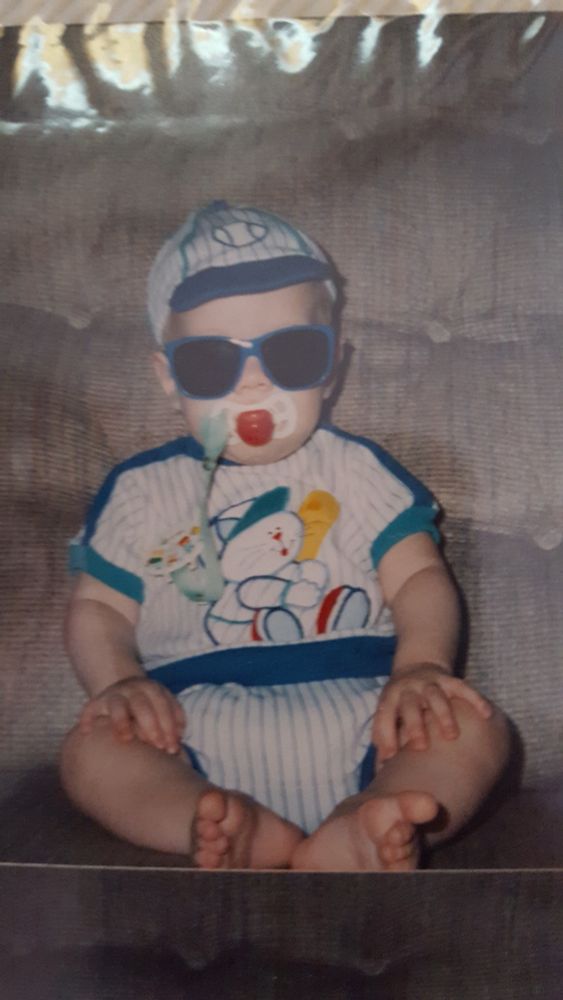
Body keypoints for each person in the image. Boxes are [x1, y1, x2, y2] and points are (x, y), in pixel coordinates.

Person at [60, 201, 510, 870]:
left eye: (291, 353)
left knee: (474, 726)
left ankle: (368, 818)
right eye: (211, 363)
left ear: (331, 366)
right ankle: (209, 822)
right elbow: (98, 606)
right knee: (90, 753)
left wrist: (421, 666)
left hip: (368, 715)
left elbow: (417, 575)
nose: (253, 383)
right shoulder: (140, 491)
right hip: (186, 728)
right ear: (168, 377)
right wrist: (118, 682)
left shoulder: (357, 471)